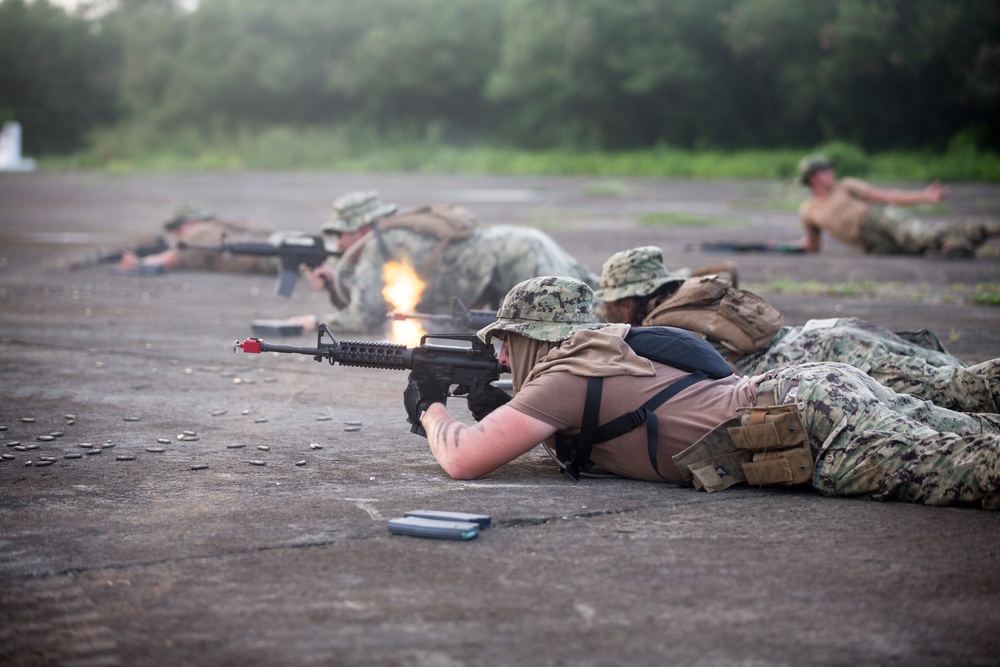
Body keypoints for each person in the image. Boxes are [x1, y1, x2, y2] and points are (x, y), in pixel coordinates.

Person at [402, 275, 1000, 509]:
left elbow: (463, 458)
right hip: (809, 390)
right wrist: (502, 405)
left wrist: (431, 407)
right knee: (977, 431)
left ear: (536, 336)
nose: (501, 354)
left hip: (801, 423)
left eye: (507, 340)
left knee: (975, 470)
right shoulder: (604, 347)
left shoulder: (563, 377)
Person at [595, 246, 999, 413]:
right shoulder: (689, 292)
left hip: (839, 361)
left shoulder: (660, 327)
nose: (609, 311)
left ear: (629, 301)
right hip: (837, 334)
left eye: (612, 303)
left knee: (961, 389)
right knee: (958, 377)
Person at [281, 191, 600, 334]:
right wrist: (335, 285)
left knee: (589, 319)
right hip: (518, 244)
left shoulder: (379, 244)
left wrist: (314, 321)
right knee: (600, 294)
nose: (338, 242)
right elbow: (380, 300)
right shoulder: (395, 234)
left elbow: (363, 319)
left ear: (363, 228)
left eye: (341, 233)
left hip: (512, 256)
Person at [796, 153, 999, 256]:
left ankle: (986, 230)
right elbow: (813, 245)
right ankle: (953, 243)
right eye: (825, 169)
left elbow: (885, 195)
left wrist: (923, 196)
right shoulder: (808, 210)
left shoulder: (846, 185)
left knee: (917, 236)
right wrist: (792, 247)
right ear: (812, 177)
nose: (831, 172)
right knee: (916, 246)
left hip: (877, 217)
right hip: (870, 244)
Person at [118, 205, 279, 274]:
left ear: (193, 220)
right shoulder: (218, 227)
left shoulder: (200, 231)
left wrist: (136, 262)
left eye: (178, 226)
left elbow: (166, 260)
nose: (176, 233)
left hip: (272, 260)